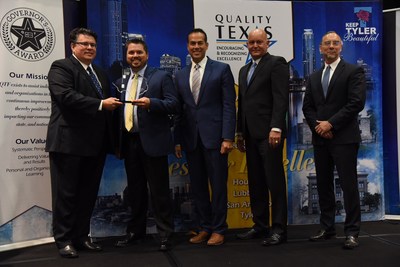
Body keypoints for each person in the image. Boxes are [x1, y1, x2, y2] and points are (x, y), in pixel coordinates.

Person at [46, 27, 122, 258]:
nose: (90, 48)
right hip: (68, 143)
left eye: (93, 45)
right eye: (84, 44)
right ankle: (64, 240)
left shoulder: (99, 72)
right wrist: (101, 105)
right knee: (66, 194)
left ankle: (81, 236)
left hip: (94, 145)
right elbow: (66, 96)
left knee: (88, 194)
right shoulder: (61, 67)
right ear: (73, 46)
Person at [302, 31, 366, 249]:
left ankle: (352, 232)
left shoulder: (353, 71)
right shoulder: (313, 77)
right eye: (327, 43)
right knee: (323, 185)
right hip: (321, 140)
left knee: (348, 186)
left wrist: (331, 124)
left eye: (335, 43)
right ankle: (327, 228)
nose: (331, 46)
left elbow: (356, 103)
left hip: (345, 139)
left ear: (341, 47)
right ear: (320, 48)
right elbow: (307, 107)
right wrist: (319, 128)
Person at [114, 38, 179, 251]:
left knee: (159, 191)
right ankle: (135, 232)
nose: (135, 56)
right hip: (130, 142)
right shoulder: (124, 79)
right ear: (127, 56)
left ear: (147, 55)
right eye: (131, 53)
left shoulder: (162, 77)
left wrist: (153, 103)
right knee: (135, 191)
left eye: (139, 52)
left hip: (153, 142)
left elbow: (173, 104)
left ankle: (165, 235)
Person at [174, 28, 236, 246]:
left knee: (218, 186)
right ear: (188, 46)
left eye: (200, 43)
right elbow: (180, 110)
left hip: (216, 139)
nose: (196, 47)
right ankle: (204, 227)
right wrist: (178, 140)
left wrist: (227, 137)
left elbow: (229, 105)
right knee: (198, 187)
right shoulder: (180, 74)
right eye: (192, 43)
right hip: (191, 139)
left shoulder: (221, 69)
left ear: (207, 45)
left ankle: (219, 229)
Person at [235, 28, 289, 246]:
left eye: (260, 42)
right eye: (251, 42)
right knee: (255, 182)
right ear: (247, 45)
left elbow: (280, 98)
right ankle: (260, 226)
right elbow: (243, 105)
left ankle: (278, 230)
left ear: (267, 44)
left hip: (269, 134)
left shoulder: (277, 63)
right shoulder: (243, 69)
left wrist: (276, 127)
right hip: (249, 135)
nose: (255, 45)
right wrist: (239, 132)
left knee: (274, 183)